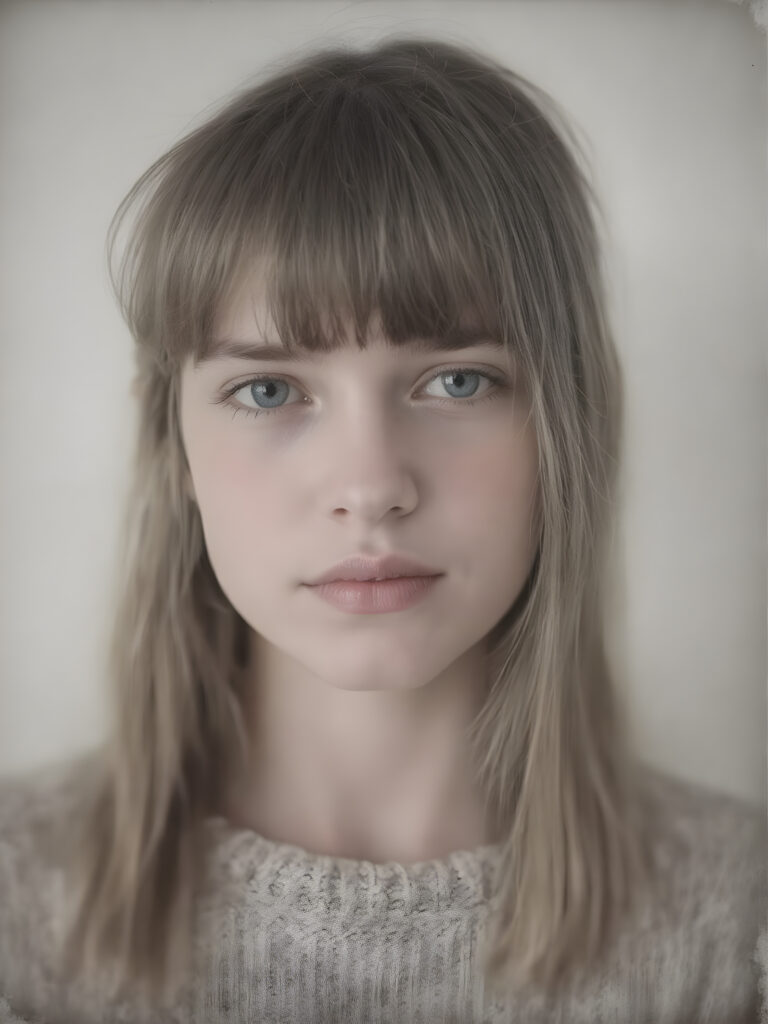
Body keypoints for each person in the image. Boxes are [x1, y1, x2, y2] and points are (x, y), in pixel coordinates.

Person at [0, 35, 764, 1024]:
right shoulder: (17, 912)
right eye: (268, 388)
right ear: (174, 448)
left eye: (457, 379)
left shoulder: (734, 927)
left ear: (566, 424)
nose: (369, 487)